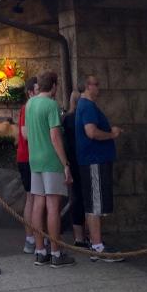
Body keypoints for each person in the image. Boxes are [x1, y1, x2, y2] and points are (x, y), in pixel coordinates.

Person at [25, 71, 75, 268]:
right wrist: (66, 164)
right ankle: (55, 252)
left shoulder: (30, 104)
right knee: (53, 206)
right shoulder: (51, 105)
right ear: (54, 85)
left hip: (34, 158)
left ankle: (40, 250)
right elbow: (55, 137)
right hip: (51, 160)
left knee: (38, 203)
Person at [75, 75, 123, 261]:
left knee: (94, 202)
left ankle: (95, 243)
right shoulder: (87, 106)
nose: (99, 87)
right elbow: (91, 132)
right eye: (96, 84)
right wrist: (112, 134)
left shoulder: (86, 105)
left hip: (94, 159)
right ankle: (97, 246)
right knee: (95, 203)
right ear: (88, 86)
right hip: (93, 159)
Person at [18, 77, 47, 253]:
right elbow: (25, 133)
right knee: (32, 198)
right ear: (30, 93)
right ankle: (31, 238)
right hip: (28, 158)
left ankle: (38, 237)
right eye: (37, 90)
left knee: (38, 198)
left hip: (34, 157)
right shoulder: (26, 108)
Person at [60, 88, 87, 248]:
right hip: (84, 160)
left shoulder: (65, 119)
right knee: (87, 199)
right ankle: (91, 236)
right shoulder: (83, 117)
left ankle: (79, 237)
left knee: (76, 197)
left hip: (71, 160)